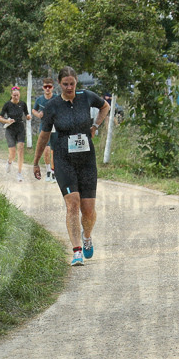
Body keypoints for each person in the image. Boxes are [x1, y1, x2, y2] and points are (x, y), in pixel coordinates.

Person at [31, 67, 110, 266]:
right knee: (72, 204)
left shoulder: (87, 97)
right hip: (64, 159)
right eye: (65, 84)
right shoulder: (52, 106)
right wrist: (36, 161)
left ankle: (87, 236)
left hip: (87, 160)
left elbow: (105, 106)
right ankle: (76, 251)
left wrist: (95, 126)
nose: (69, 87)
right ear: (59, 84)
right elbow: (44, 135)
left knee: (88, 210)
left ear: (76, 82)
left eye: (72, 83)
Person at [0, 85, 29, 181]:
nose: (16, 97)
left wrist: (28, 117)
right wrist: (7, 121)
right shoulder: (7, 105)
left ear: (19, 95)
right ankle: (9, 162)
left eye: (17, 95)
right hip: (10, 129)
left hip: (20, 128)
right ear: (11, 95)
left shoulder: (23, 104)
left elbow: (27, 114)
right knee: (13, 153)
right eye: (14, 95)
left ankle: (19, 173)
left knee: (20, 149)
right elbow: (0, 118)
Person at [32, 78, 57, 183]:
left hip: (55, 127)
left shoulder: (57, 98)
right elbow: (34, 110)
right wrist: (38, 114)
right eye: (45, 86)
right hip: (44, 127)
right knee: (46, 150)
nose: (47, 88)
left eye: (49, 87)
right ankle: (48, 171)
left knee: (54, 151)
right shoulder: (40, 99)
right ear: (43, 87)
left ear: (52, 88)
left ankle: (54, 172)